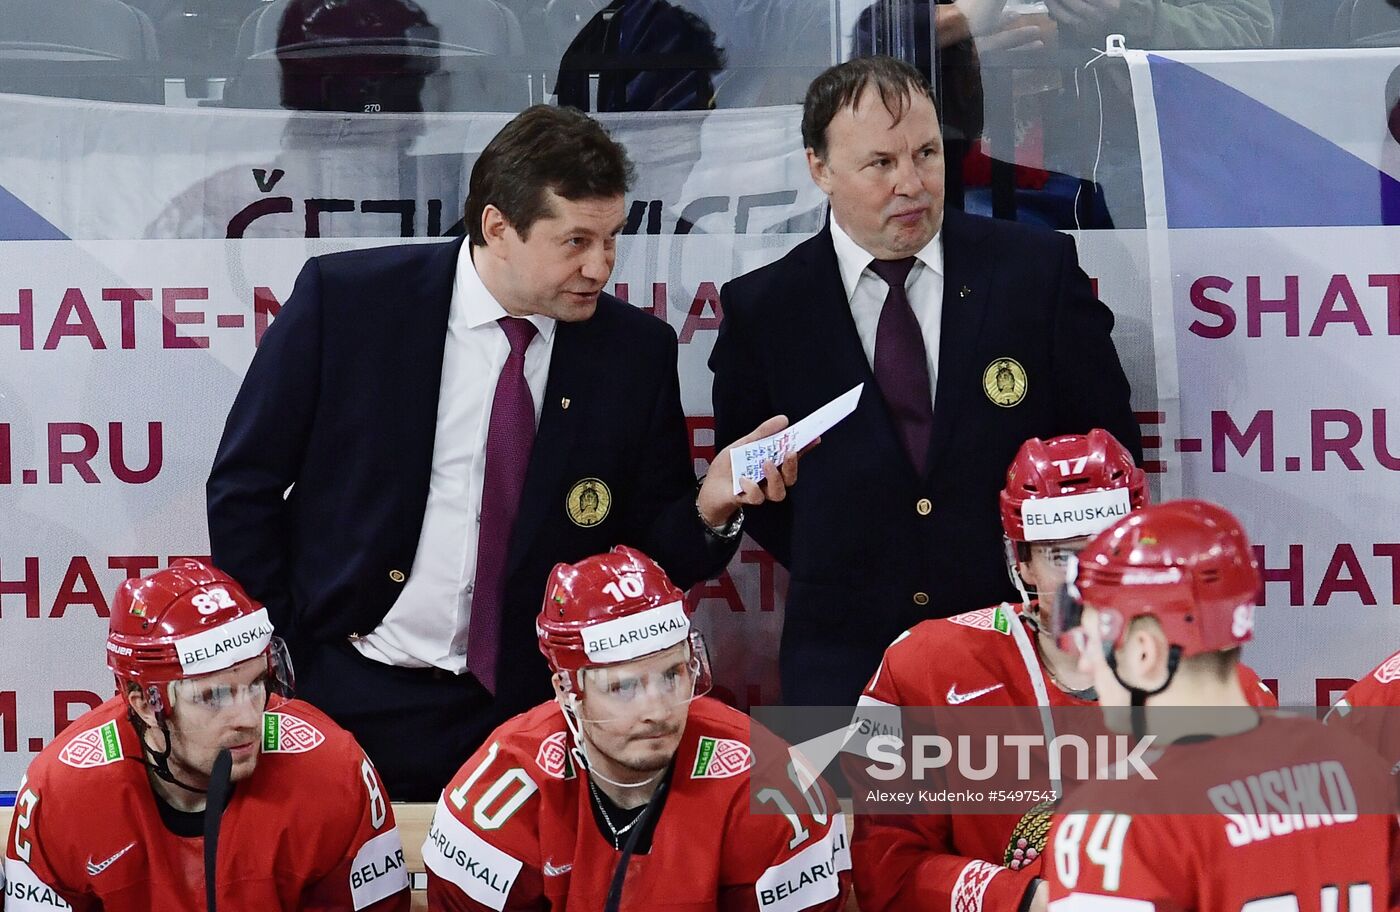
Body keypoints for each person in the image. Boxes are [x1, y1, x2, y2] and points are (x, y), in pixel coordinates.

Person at [207, 103, 799, 800]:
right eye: (575, 241)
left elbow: (648, 556)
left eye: (611, 239)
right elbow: (244, 485)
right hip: (353, 689)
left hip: (539, 715)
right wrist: (282, 655)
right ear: (498, 227)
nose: (600, 266)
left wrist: (712, 504)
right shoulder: (351, 304)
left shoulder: (632, 353)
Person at [709, 54, 1141, 708]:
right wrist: (854, 563)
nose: (911, 182)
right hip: (843, 660)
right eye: (881, 163)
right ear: (819, 169)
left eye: (927, 153)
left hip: (1022, 652)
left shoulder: (1034, 272)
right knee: (849, 814)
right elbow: (757, 486)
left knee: (1028, 815)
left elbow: (1107, 446)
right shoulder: (765, 308)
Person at [848, 431, 1275, 912]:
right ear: (1023, 561)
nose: (1088, 578)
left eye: (1107, 549)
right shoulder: (919, 665)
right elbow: (883, 869)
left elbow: (1265, 864)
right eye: (1061, 555)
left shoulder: (1228, 693)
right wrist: (1029, 899)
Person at [422, 545, 852, 911]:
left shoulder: (770, 786)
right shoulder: (499, 794)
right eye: (623, 686)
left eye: (672, 674)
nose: (658, 710)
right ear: (567, 690)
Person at [1045, 500, 1399, 909]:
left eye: (1088, 640)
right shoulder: (1353, 765)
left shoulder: (1113, 817)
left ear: (1145, 652)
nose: (1086, 663)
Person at [1, 559, 409, 911]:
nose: (249, 717)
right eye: (213, 696)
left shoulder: (333, 768)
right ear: (144, 702)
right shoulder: (62, 791)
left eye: (256, 684)